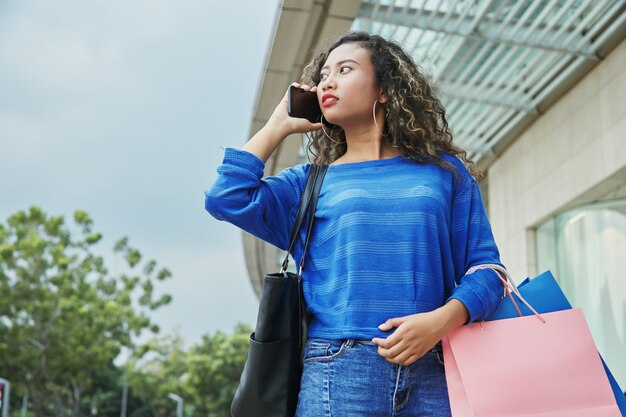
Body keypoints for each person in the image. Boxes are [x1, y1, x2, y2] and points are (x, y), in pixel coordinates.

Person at [205, 31, 506, 417]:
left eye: (345, 70)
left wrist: (443, 319)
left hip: (435, 370)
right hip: (337, 371)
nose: (328, 81)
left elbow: (487, 269)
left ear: (384, 89)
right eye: (324, 74)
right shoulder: (308, 183)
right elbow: (225, 196)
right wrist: (277, 125)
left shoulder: (446, 174)